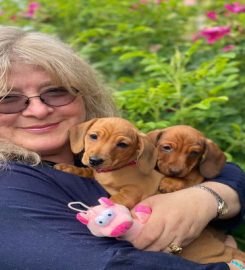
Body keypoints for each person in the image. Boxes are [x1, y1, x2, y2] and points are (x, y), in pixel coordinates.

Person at [0, 25, 244, 270]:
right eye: (8, 98)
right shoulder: (10, 187)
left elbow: (226, 171)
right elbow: (112, 265)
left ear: (85, 94)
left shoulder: (111, 147)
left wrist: (206, 198)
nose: (40, 110)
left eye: (56, 91)